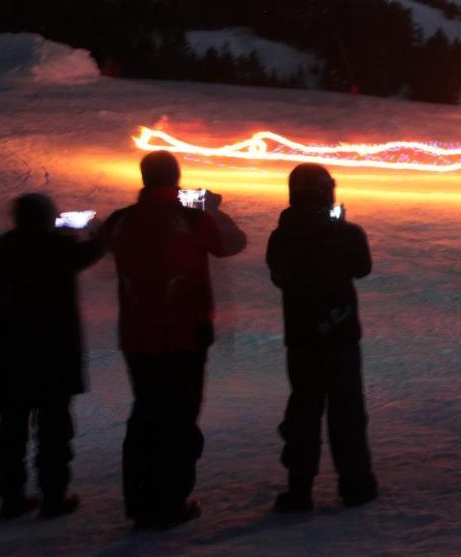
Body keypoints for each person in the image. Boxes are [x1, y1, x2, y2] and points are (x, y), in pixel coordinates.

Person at [101, 151, 246, 530]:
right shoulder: (190, 217)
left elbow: (101, 250)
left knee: (145, 414)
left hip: (137, 336)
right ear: (176, 177)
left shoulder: (122, 219)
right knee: (179, 417)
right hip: (185, 332)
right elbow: (233, 243)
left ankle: (141, 501)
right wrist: (211, 209)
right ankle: (171, 501)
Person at [0, 193, 105, 521]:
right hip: (52, 353)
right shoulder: (55, 247)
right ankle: (53, 496)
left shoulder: (4, 246)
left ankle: (11, 498)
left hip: (9, 354)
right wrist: (95, 233)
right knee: (53, 430)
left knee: (10, 431)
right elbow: (91, 253)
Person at [266, 164, 377, 512]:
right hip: (340, 334)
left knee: (303, 410)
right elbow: (362, 267)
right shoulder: (344, 233)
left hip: (301, 336)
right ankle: (355, 485)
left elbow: (279, 276)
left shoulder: (282, 236)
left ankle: (300, 489)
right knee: (347, 411)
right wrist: (338, 227)